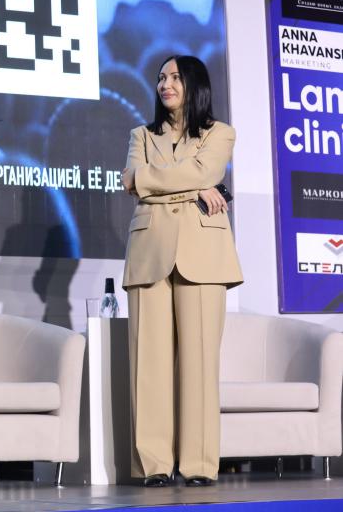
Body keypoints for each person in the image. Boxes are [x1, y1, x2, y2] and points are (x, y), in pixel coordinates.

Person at [121, 55, 243, 488]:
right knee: (148, 365)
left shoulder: (220, 133)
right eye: (160, 78)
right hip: (149, 251)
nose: (165, 84)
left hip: (203, 253)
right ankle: (153, 464)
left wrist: (152, 182)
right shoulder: (141, 135)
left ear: (195, 84)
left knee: (200, 363)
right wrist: (196, 189)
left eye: (174, 77)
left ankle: (199, 465)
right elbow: (129, 180)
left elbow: (202, 170)